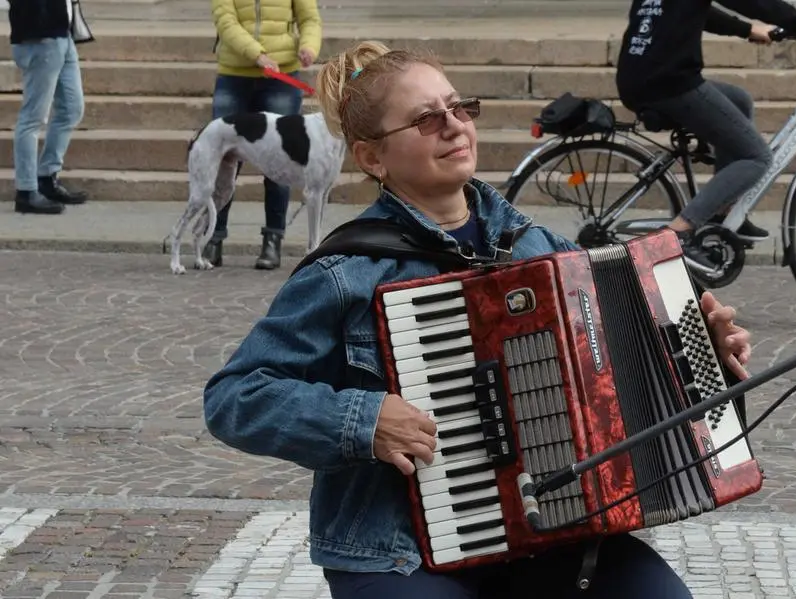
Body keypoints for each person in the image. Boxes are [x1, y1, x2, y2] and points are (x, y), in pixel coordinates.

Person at [203, 40, 755, 599]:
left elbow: (634, 393)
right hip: (399, 553)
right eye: (424, 119)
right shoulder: (347, 272)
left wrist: (701, 356)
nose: (452, 125)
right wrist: (362, 419)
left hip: (557, 535)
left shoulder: (546, 252)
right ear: (372, 158)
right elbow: (235, 397)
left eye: (458, 107)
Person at [615, 0, 796, 271]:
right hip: (670, 83)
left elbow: (696, 11)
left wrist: (747, 30)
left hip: (638, 77)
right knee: (756, 157)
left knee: (739, 100)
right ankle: (677, 235)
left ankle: (722, 214)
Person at [203, 0, 323, 270]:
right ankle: (213, 237)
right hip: (234, 75)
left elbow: (310, 19)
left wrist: (309, 46)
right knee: (221, 162)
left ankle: (273, 239)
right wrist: (257, 54)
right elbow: (226, 21)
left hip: (281, 76)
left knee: (281, 161)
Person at [8, 0, 94, 215]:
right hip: (39, 37)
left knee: (72, 109)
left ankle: (47, 177)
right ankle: (26, 191)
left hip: (62, 33)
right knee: (32, 118)